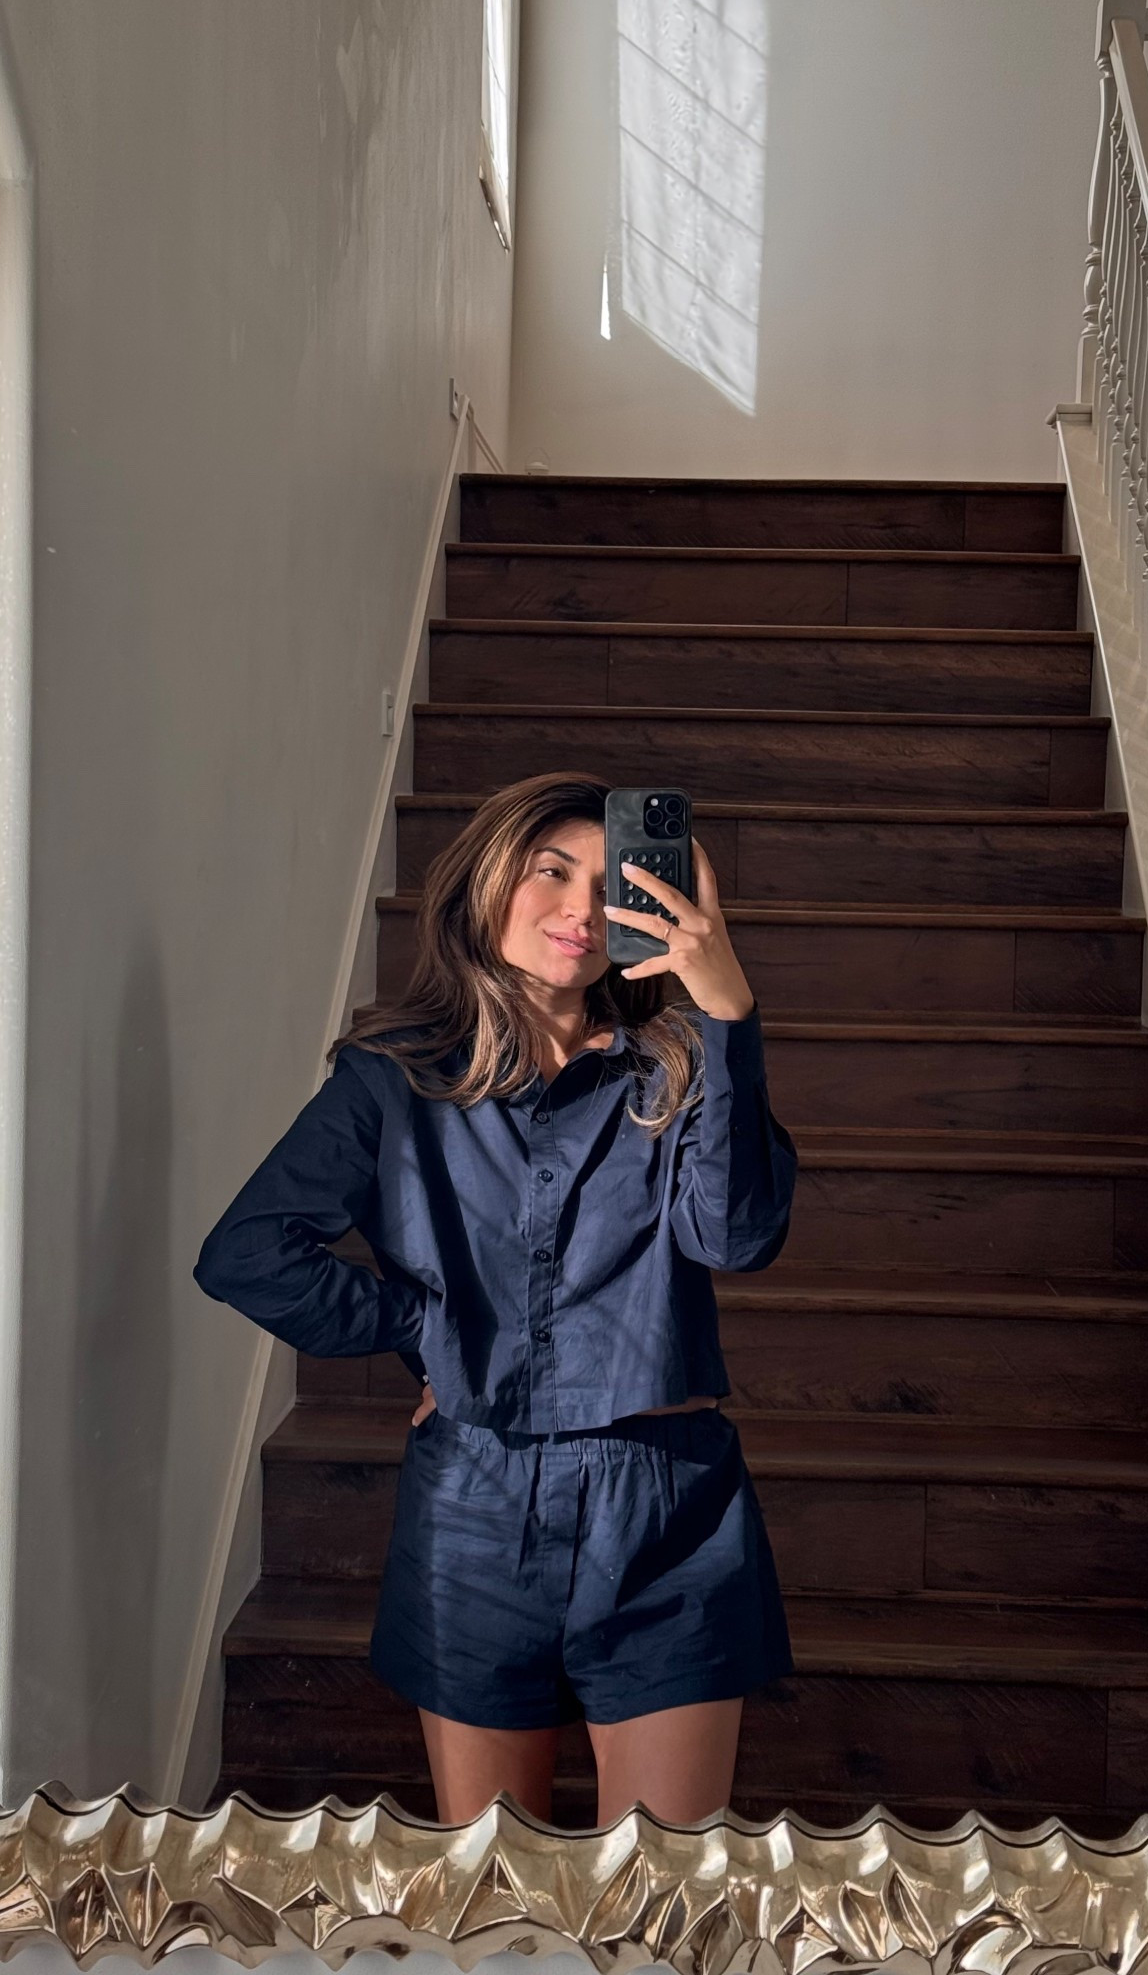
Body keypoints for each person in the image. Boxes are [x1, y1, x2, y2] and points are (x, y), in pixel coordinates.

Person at [194, 771, 799, 1828]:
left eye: (610, 884)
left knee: (661, 1888)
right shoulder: (392, 1078)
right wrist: (428, 1330)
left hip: (669, 1503)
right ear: (486, 881)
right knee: (493, 1888)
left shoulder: (673, 1066)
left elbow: (735, 1237)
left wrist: (728, 1011)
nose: (579, 908)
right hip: (477, 1500)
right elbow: (249, 1252)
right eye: (550, 870)